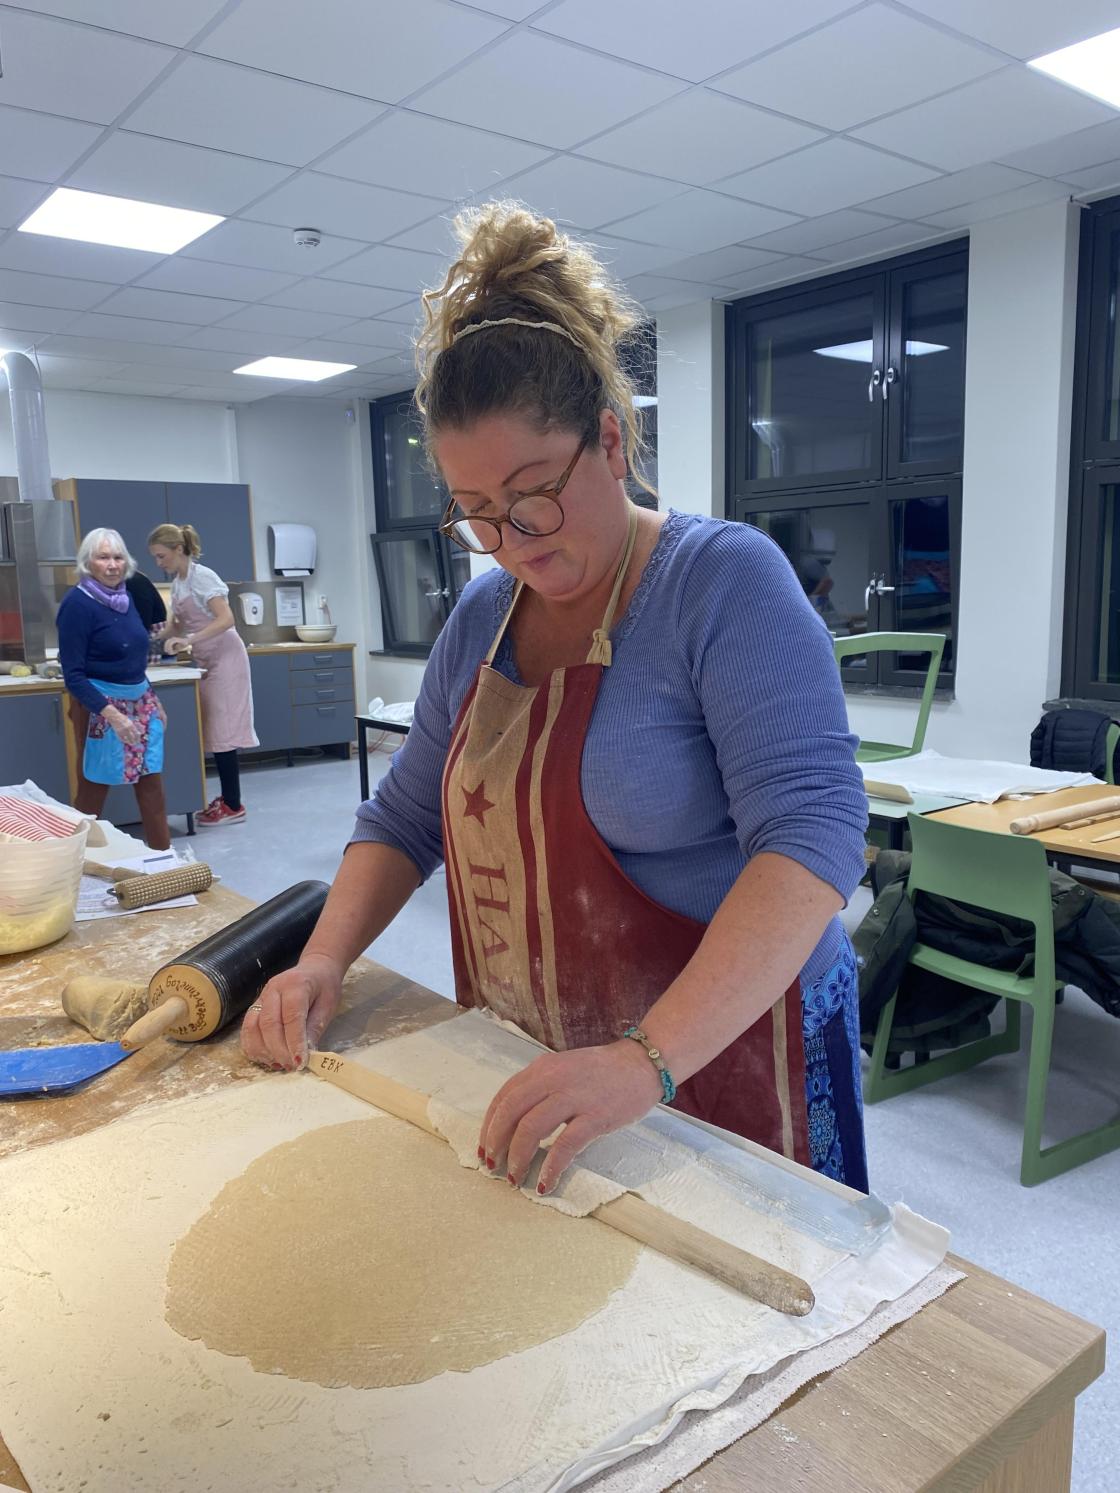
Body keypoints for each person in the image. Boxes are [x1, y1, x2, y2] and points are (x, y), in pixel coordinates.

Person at [241, 202, 870, 1195]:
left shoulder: (721, 583)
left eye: (533, 494)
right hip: (547, 1042)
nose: (514, 539)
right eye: (478, 514)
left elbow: (813, 835)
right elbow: (405, 817)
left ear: (610, 444)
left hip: (729, 1035)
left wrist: (647, 1057)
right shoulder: (484, 617)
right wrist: (323, 961)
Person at [58, 527, 170, 850]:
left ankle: (164, 860)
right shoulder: (77, 604)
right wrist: (113, 716)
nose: (112, 565)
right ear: (87, 562)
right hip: (98, 706)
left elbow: (134, 659)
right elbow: (73, 676)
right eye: (103, 557)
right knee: (94, 786)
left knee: (151, 784)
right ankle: (77, 860)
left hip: (140, 700)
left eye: (118, 557)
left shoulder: (126, 598)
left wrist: (153, 699)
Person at [148, 523, 257, 828]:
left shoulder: (203, 577)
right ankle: (228, 799)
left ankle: (233, 805)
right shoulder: (179, 583)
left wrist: (189, 640)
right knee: (216, 731)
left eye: (161, 556)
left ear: (178, 549)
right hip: (207, 660)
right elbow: (175, 626)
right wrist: (146, 640)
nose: (158, 563)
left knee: (224, 732)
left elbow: (226, 619)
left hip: (227, 658)